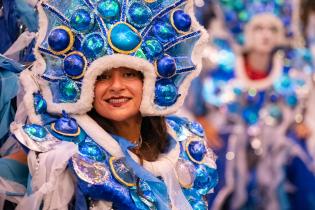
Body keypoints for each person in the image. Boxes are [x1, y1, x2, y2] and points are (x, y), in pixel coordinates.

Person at [9, 0, 218, 209]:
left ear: (150, 83)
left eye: (129, 74)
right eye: (102, 77)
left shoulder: (182, 140)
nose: (116, 86)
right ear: (86, 87)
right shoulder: (65, 149)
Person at [187, 1, 315, 210]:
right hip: (227, 155)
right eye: (258, 28)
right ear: (244, 32)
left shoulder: (293, 74)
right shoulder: (217, 70)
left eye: (272, 29)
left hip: (276, 163)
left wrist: (302, 125)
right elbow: (192, 109)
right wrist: (199, 122)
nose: (265, 35)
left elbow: (303, 113)